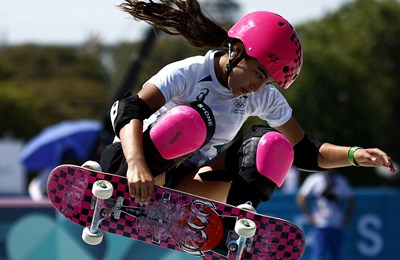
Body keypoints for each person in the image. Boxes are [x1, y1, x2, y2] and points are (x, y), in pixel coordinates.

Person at [93, 0, 396, 209]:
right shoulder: (190, 72)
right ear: (238, 51)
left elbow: (305, 151)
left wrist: (356, 155)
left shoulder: (260, 94)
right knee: (191, 122)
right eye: (260, 74)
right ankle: (129, 189)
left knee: (273, 145)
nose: (258, 87)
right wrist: (136, 164)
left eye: (269, 82)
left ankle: (227, 224)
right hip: (131, 166)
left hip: (182, 184)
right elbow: (128, 108)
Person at [297, 170, 355, 260]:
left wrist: (347, 217)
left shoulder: (340, 180)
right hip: (320, 224)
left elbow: (351, 200)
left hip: (337, 223)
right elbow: (301, 197)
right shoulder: (314, 179)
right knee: (318, 254)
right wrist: (309, 216)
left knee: (336, 255)